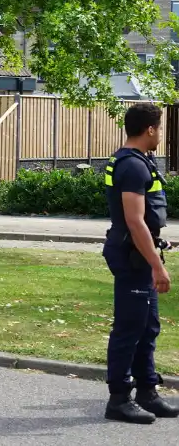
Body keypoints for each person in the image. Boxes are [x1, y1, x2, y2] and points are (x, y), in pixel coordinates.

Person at [102, 102, 178, 424]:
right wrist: (157, 266)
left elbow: (143, 219)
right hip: (132, 256)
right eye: (159, 128)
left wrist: (157, 243)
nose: (160, 134)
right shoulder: (132, 166)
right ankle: (119, 399)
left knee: (147, 327)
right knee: (129, 328)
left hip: (138, 253)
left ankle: (147, 391)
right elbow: (134, 222)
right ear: (150, 129)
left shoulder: (136, 161)